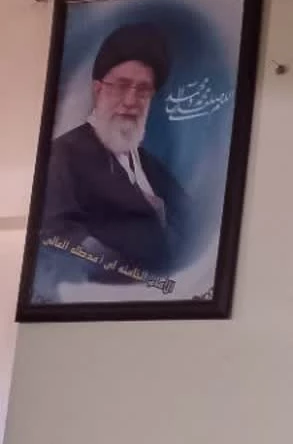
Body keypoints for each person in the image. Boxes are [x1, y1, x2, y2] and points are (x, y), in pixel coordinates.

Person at [37, 22, 188, 282]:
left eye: (143, 90)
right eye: (121, 85)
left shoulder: (151, 166)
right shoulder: (62, 155)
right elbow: (58, 235)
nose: (130, 101)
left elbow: (191, 221)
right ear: (98, 90)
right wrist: (139, 279)